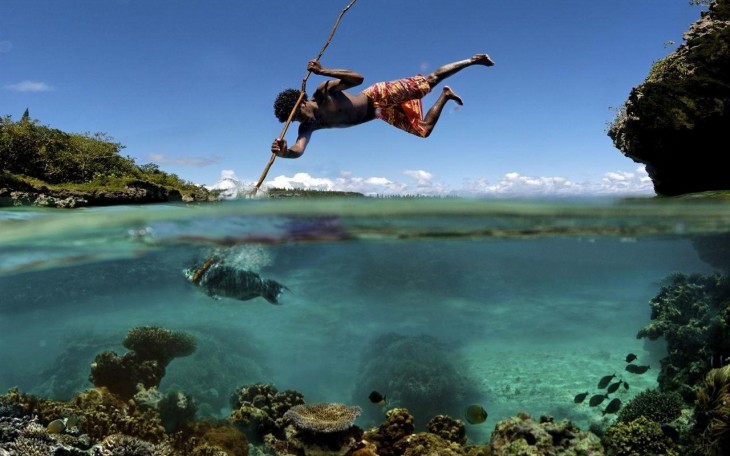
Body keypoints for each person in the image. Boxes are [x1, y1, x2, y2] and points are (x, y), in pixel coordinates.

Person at [271, 53, 495, 158]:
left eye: (297, 116)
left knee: (430, 81)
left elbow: (358, 79)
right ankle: (446, 96)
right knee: (423, 131)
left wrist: (324, 71)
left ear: (301, 102)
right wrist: (284, 153)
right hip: (380, 113)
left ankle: (472, 61)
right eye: (295, 122)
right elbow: (298, 150)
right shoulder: (308, 127)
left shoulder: (322, 93)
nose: (300, 122)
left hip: (378, 95)